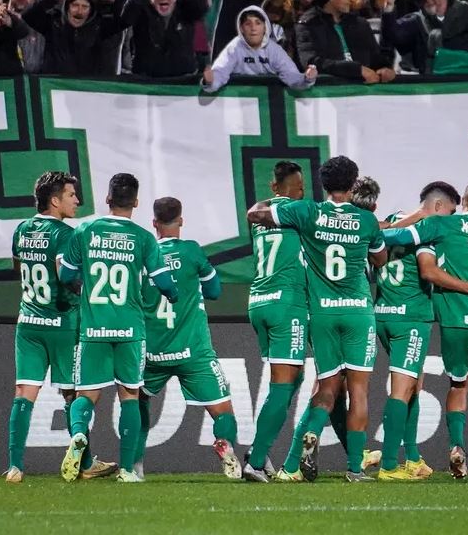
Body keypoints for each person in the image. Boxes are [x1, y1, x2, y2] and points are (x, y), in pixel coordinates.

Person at [247, 155, 388, 482]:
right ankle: (355, 468)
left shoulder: (307, 211)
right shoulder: (366, 220)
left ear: (323, 185)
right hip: (357, 312)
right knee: (359, 392)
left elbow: (256, 215)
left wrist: (271, 202)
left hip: (322, 312)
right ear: (353, 185)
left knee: (326, 388)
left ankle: (305, 444)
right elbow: (380, 258)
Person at [383, 179, 468, 480]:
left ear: (464, 201)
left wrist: (417, 216)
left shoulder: (443, 225)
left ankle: (456, 446)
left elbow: (394, 236)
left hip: (452, 320)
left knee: (458, 384)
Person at [59, 173, 178, 483]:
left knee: (85, 395)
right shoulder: (143, 238)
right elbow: (164, 283)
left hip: (93, 328)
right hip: (129, 329)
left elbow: (66, 275)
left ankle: (79, 436)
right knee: (129, 395)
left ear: (107, 199)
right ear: (136, 203)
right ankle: (127, 470)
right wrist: (174, 293)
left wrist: (83, 287)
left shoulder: (85, 230)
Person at [5, 171, 117, 484]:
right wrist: (91, 296)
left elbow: (18, 267)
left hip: (28, 322)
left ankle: (15, 466)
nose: (77, 201)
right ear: (55, 201)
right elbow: (66, 276)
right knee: (74, 394)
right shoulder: (65, 234)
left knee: (24, 393)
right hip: (63, 323)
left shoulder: (22, 229)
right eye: (71, 195)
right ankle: (84, 464)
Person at [136, 197, 241, 479]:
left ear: (154, 223)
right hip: (192, 351)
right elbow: (215, 291)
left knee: (136, 403)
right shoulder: (192, 251)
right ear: (181, 220)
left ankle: (135, 465)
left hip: (153, 352)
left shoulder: (143, 256)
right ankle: (225, 444)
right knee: (223, 412)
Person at [242, 162, 308, 482]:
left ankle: (259, 449)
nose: (303, 191)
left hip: (258, 302)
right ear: (292, 189)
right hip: (287, 304)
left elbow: (255, 213)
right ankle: (254, 461)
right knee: (283, 386)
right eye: (300, 186)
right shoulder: (300, 212)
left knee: (289, 381)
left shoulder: (260, 213)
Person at [263, 0, 384, 65]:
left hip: (337, 69)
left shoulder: (336, 3)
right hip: (298, 71)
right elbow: (268, 13)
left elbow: (378, 6)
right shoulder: (292, 5)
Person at [296, 0, 396, 83]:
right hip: (326, 96)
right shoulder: (308, 24)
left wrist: (386, 69)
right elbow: (311, 62)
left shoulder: (360, 24)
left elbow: (377, 59)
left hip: (365, 96)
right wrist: (356, 70)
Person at [22, 0, 128, 76]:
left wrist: (114, 3)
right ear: (67, 7)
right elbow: (28, 15)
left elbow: (126, 20)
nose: (79, 11)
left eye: (85, 6)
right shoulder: (53, 23)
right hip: (54, 88)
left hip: (84, 90)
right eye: (75, 5)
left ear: (91, 10)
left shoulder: (99, 26)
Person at [202, 6, 317, 93]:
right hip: (238, 102)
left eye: (258, 23)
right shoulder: (234, 47)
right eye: (248, 24)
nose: (253, 28)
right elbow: (220, 72)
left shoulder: (274, 50)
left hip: (268, 103)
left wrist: (306, 79)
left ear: (265, 27)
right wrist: (210, 81)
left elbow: (290, 75)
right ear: (241, 28)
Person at [123, 0, 208, 77]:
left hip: (183, 76)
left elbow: (200, 11)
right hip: (146, 76)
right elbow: (123, 21)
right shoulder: (142, 3)